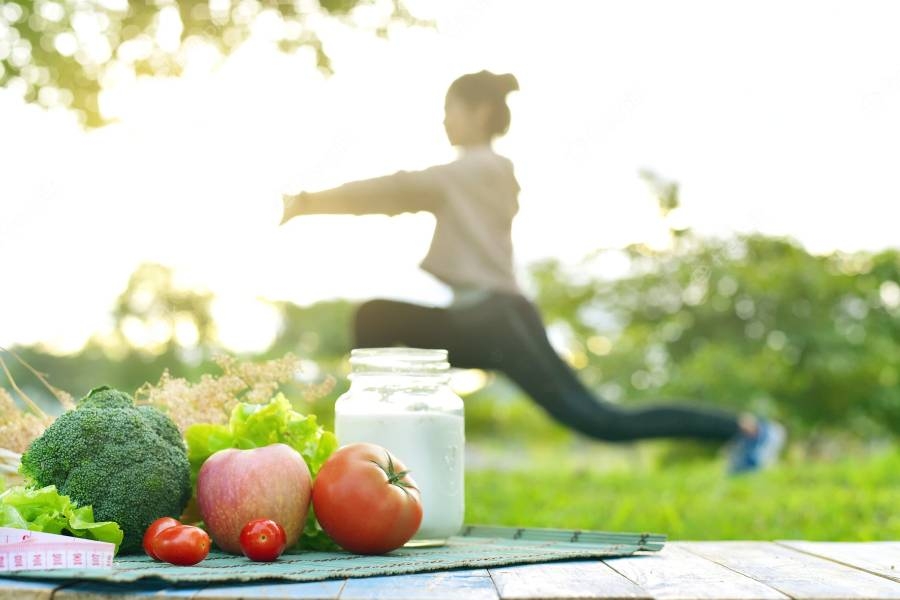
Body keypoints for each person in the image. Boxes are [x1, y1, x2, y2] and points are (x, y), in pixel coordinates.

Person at [280, 70, 785, 473]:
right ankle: (381, 455)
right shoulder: (482, 174)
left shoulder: (480, 170)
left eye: (448, 110)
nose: (443, 120)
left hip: (493, 320)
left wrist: (308, 202)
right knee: (377, 320)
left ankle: (746, 430)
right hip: (492, 318)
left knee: (601, 420)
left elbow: (391, 191)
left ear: (477, 112)